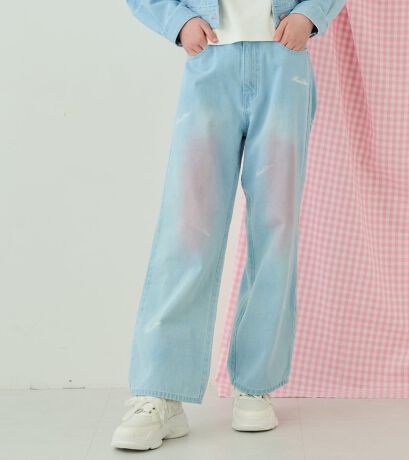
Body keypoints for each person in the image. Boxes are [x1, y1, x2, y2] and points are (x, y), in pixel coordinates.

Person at [112, 0, 346, 451]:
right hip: (211, 59)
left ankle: (255, 385)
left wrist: (310, 14)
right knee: (187, 228)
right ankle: (159, 390)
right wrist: (179, 21)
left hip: (283, 61)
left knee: (276, 228)